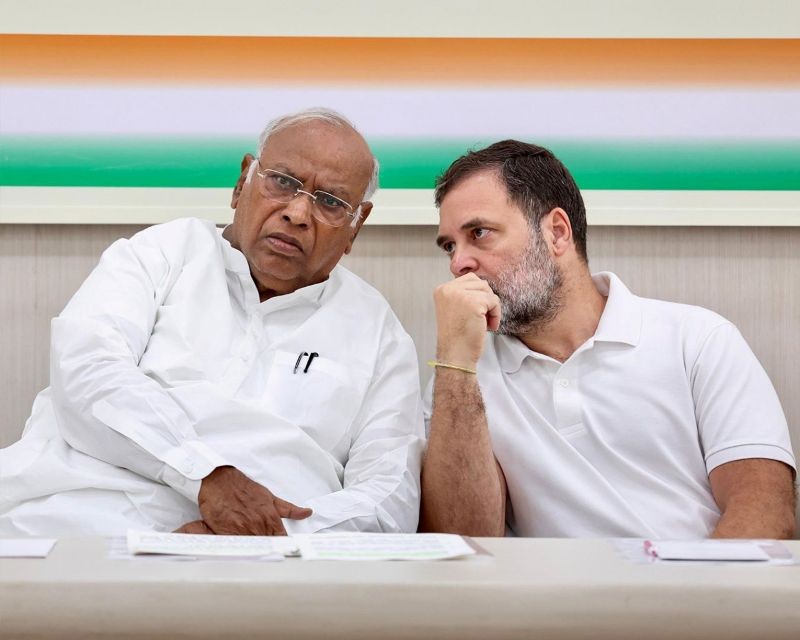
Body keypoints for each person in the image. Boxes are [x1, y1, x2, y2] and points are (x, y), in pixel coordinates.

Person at [0, 108, 424, 536]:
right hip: (79, 516)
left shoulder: (378, 332)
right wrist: (204, 475)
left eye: (330, 202)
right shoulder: (161, 253)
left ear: (355, 226)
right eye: (282, 182)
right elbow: (86, 374)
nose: (297, 213)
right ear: (242, 183)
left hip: (273, 560)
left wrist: (258, 535)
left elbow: (389, 498)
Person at [420, 140, 796, 539]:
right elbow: (461, 540)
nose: (458, 263)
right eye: (450, 246)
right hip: (548, 583)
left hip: (696, 574)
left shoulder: (699, 340)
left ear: (557, 233)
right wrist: (456, 363)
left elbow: (766, 512)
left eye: (479, 233)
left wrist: (696, 582)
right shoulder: (459, 379)